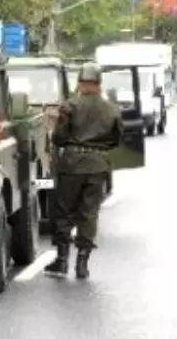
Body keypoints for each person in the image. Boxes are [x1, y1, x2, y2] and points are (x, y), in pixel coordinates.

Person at [43, 62, 123, 280]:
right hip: (98, 164)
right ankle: (82, 264)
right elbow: (117, 140)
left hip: (72, 164)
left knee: (65, 211)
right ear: (99, 83)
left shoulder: (69, 107)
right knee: (89, 213)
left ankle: (61, 261)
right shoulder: (112, 109)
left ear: (79, 82)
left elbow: (59, 138)